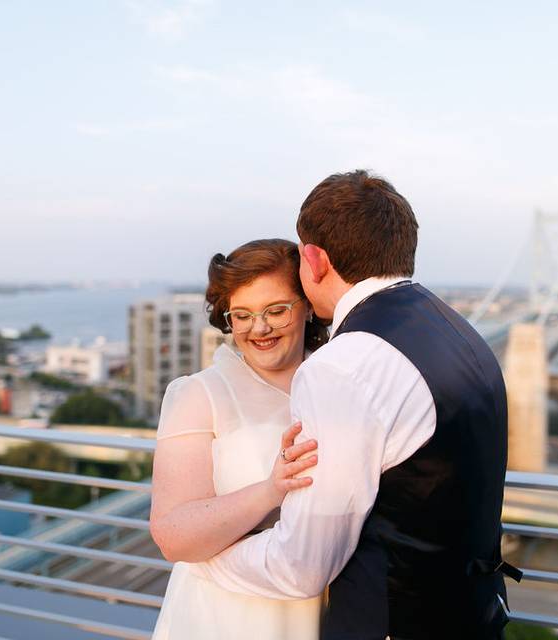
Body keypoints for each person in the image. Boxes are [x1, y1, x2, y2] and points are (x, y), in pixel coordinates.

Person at [193, 170, 521, 639]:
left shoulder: (342, 366)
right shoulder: (460, 333)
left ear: (314, 259)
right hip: (474, 617)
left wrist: (205, 559)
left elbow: (302, 565)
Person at [150, 238, 329, 640]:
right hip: (222, 619)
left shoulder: (338, 385)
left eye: (276, 310)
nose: (259, 328)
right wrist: (270, 490)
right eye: (242, 315)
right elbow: (172, 536)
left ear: (307, 308)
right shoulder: (198, 393)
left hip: (323, 614)